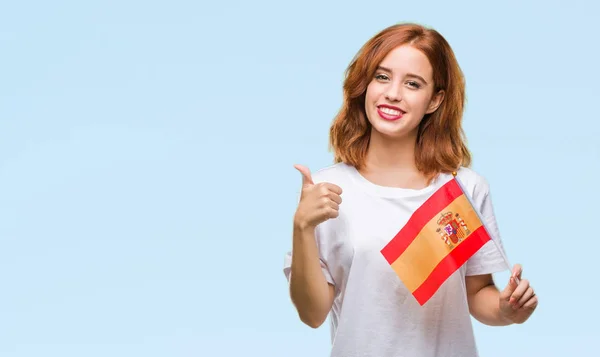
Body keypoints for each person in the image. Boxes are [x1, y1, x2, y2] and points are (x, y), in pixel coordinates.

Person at [282, 23, 538, 357]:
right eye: (382, 77)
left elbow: (478, 293)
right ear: (365, 85)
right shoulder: (329, 191)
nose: (393, 93)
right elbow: (312, 314)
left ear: (434, 100)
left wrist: (507, 310)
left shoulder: (464, 189)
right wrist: (302, 227)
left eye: (413, 84)